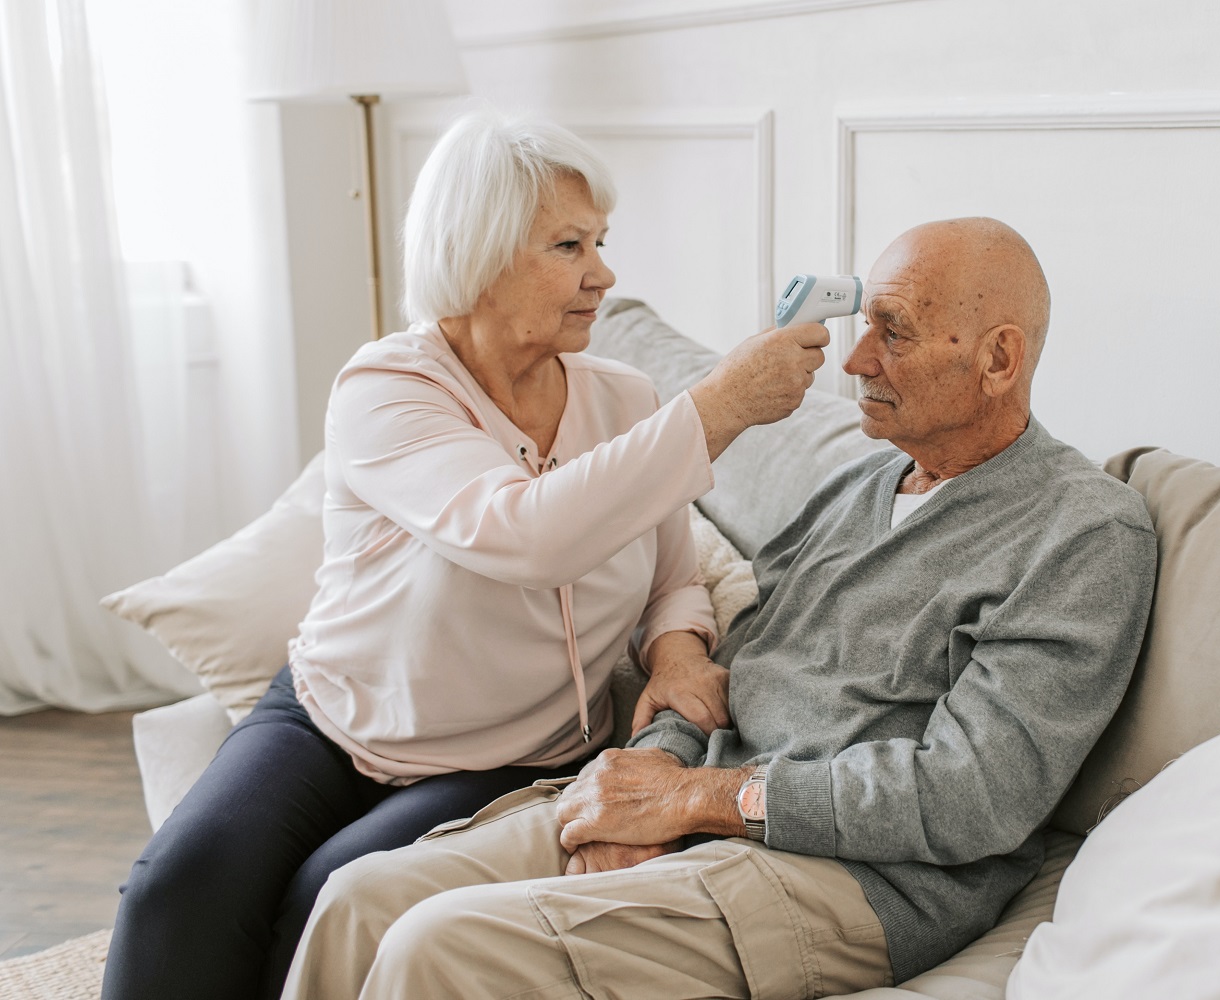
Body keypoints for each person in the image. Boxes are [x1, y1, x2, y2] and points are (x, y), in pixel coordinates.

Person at [281, 216, 1159, 1000]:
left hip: (843, 877)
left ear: (998, 359)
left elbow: (976, 797)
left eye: (893, 335)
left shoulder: (1082, 533)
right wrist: (645, 783)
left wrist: (704, 802)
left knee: (437, 949)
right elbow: (729, 666)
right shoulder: (861, 488)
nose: (855, 364)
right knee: (359, 899)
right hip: (705, 807)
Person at [101, 111, 829, 1000]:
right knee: (177, 889)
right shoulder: (388, 388)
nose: (604, 274)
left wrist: (676, 649)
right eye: (568, 246)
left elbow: (673, 576)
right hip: (332, 720)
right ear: (477, 253)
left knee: (323, 901)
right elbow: (523, 531)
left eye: (600, 240)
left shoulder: (628, 400)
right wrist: (720, 404)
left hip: (512, 752)